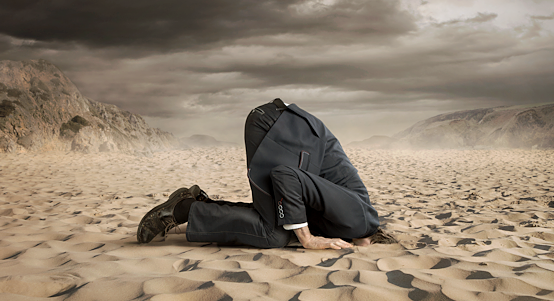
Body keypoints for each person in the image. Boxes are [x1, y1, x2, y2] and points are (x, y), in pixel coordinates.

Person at [137, 98, 395, 249]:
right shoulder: (359, 221)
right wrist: (308, 240)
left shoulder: (346, 221)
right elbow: (286, 176)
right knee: (275, 233)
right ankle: (181, 209)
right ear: (372, 240)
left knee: (280, 223)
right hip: (277, 128)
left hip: (285, 128)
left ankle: (199, 205)